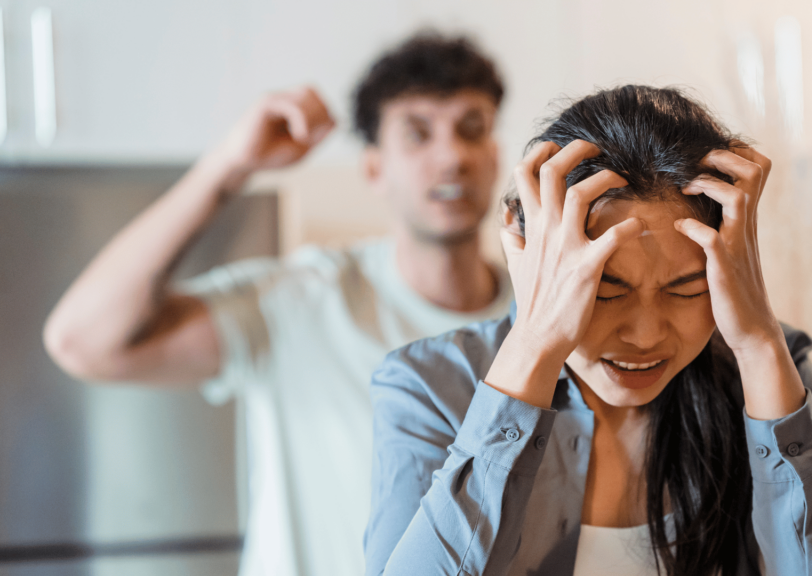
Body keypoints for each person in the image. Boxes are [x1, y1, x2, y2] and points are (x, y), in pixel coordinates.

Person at [43, 33, 513, 576]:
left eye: (471, 129)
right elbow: (82, 341)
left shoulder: (538, 322)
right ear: (373, 169)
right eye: (417, 133)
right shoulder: (302, 302)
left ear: (495, 154)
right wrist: (230, 166)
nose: (452, 156)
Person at [366, 85, 812, 575]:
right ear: (528, 251)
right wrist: (536, 343)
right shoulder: (426, 386)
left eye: (685, 289)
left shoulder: (768, 370)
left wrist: (760, 344)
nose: (645, 334)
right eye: (606, 290)